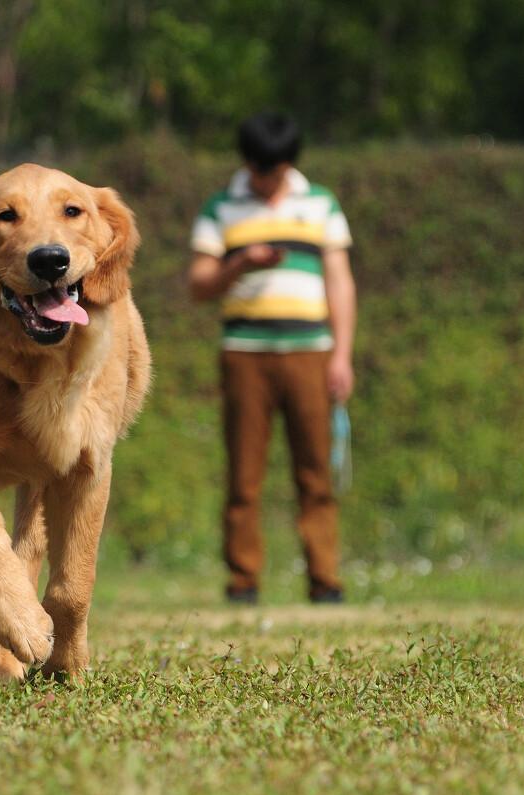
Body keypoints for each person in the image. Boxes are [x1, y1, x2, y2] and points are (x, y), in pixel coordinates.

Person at [187, 111, 357, 604]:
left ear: (289, 164)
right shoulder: (222, 207)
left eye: (275, 170)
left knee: (316, 471)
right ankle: (243, 579)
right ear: (246, 163)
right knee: (244, 474)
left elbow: (340, 282)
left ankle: (325, 578)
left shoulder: (321, 203)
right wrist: (239, 263)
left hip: (312, 353)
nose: (266, 180)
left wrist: (342, 355)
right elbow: (199, 284)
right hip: (245, 354)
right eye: (259, 170)